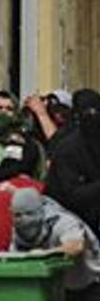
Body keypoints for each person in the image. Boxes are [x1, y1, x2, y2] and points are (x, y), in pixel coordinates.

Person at [45, 89, 100, 237]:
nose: (93, 117)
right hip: (63, 214)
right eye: (88, 112)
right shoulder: (67, 148)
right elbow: (72, 194)